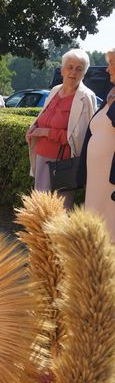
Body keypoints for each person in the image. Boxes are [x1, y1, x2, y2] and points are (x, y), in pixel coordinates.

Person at [26, 48, 97, 209]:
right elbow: (44, 118)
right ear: (62, 69)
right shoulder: (54, 90)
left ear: (84, 74)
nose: (73, 72)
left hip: (63, 164)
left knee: (59, 212)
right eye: (70, 67)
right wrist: (35, 128)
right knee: (39, 211)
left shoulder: (86, 97)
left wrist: (46, 132)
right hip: (42, 158)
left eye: (79, 69)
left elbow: (80, 138)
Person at [80, 48, 115, 240]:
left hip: (111, 177)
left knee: (110, 225)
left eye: (111, 63)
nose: (108, 69)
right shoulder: (110, 93)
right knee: (97, 225)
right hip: (97, 177)